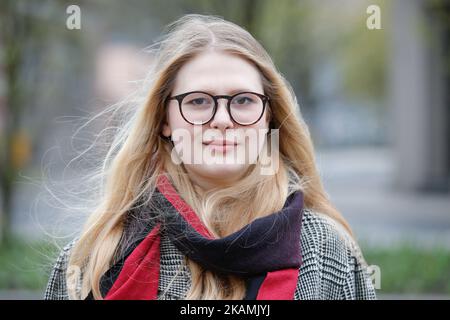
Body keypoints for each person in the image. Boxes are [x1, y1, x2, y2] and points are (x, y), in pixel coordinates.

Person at [44, 14, 376, 300]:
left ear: (269, 117)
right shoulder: (97, 258)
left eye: (243, 100)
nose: (221, 119)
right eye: (199, 101)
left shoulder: (326, 252)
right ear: (164, 120)